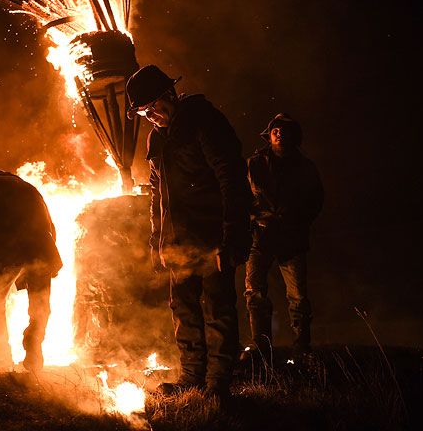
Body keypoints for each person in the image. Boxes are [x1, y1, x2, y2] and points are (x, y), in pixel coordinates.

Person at [126, 65, 252, 400]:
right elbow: (157, 195)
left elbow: (231, 177)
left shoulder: (204, 122)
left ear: (169, 95)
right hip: (178, 242)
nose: (150, 116)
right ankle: (193, 376)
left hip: (212, 237)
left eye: (153, 107)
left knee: (218, 308)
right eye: (143, 112)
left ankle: (218, 382)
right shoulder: (157, 138)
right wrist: (157, 241)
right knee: (183, 309)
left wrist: (233, 233)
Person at [241, 113, 323, 364]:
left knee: (297, 296)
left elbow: (316, 200)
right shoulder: (254, 164)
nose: (279, 133)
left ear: (293, 136)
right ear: (270, 135)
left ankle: (301, 349)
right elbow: (240, 195)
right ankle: (262, 350)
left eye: (284, 129)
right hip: (261, 234)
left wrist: (297, 221)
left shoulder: (305, 167)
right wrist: (253, 219)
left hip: (292, 236)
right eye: (275, 129)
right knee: (255, 292)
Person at [0, 169, 62, 371]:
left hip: (5, 250)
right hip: (41, 249)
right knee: (40, 303)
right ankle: (34, 347)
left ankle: (0, 354)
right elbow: (51, 226)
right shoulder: (30, 188)